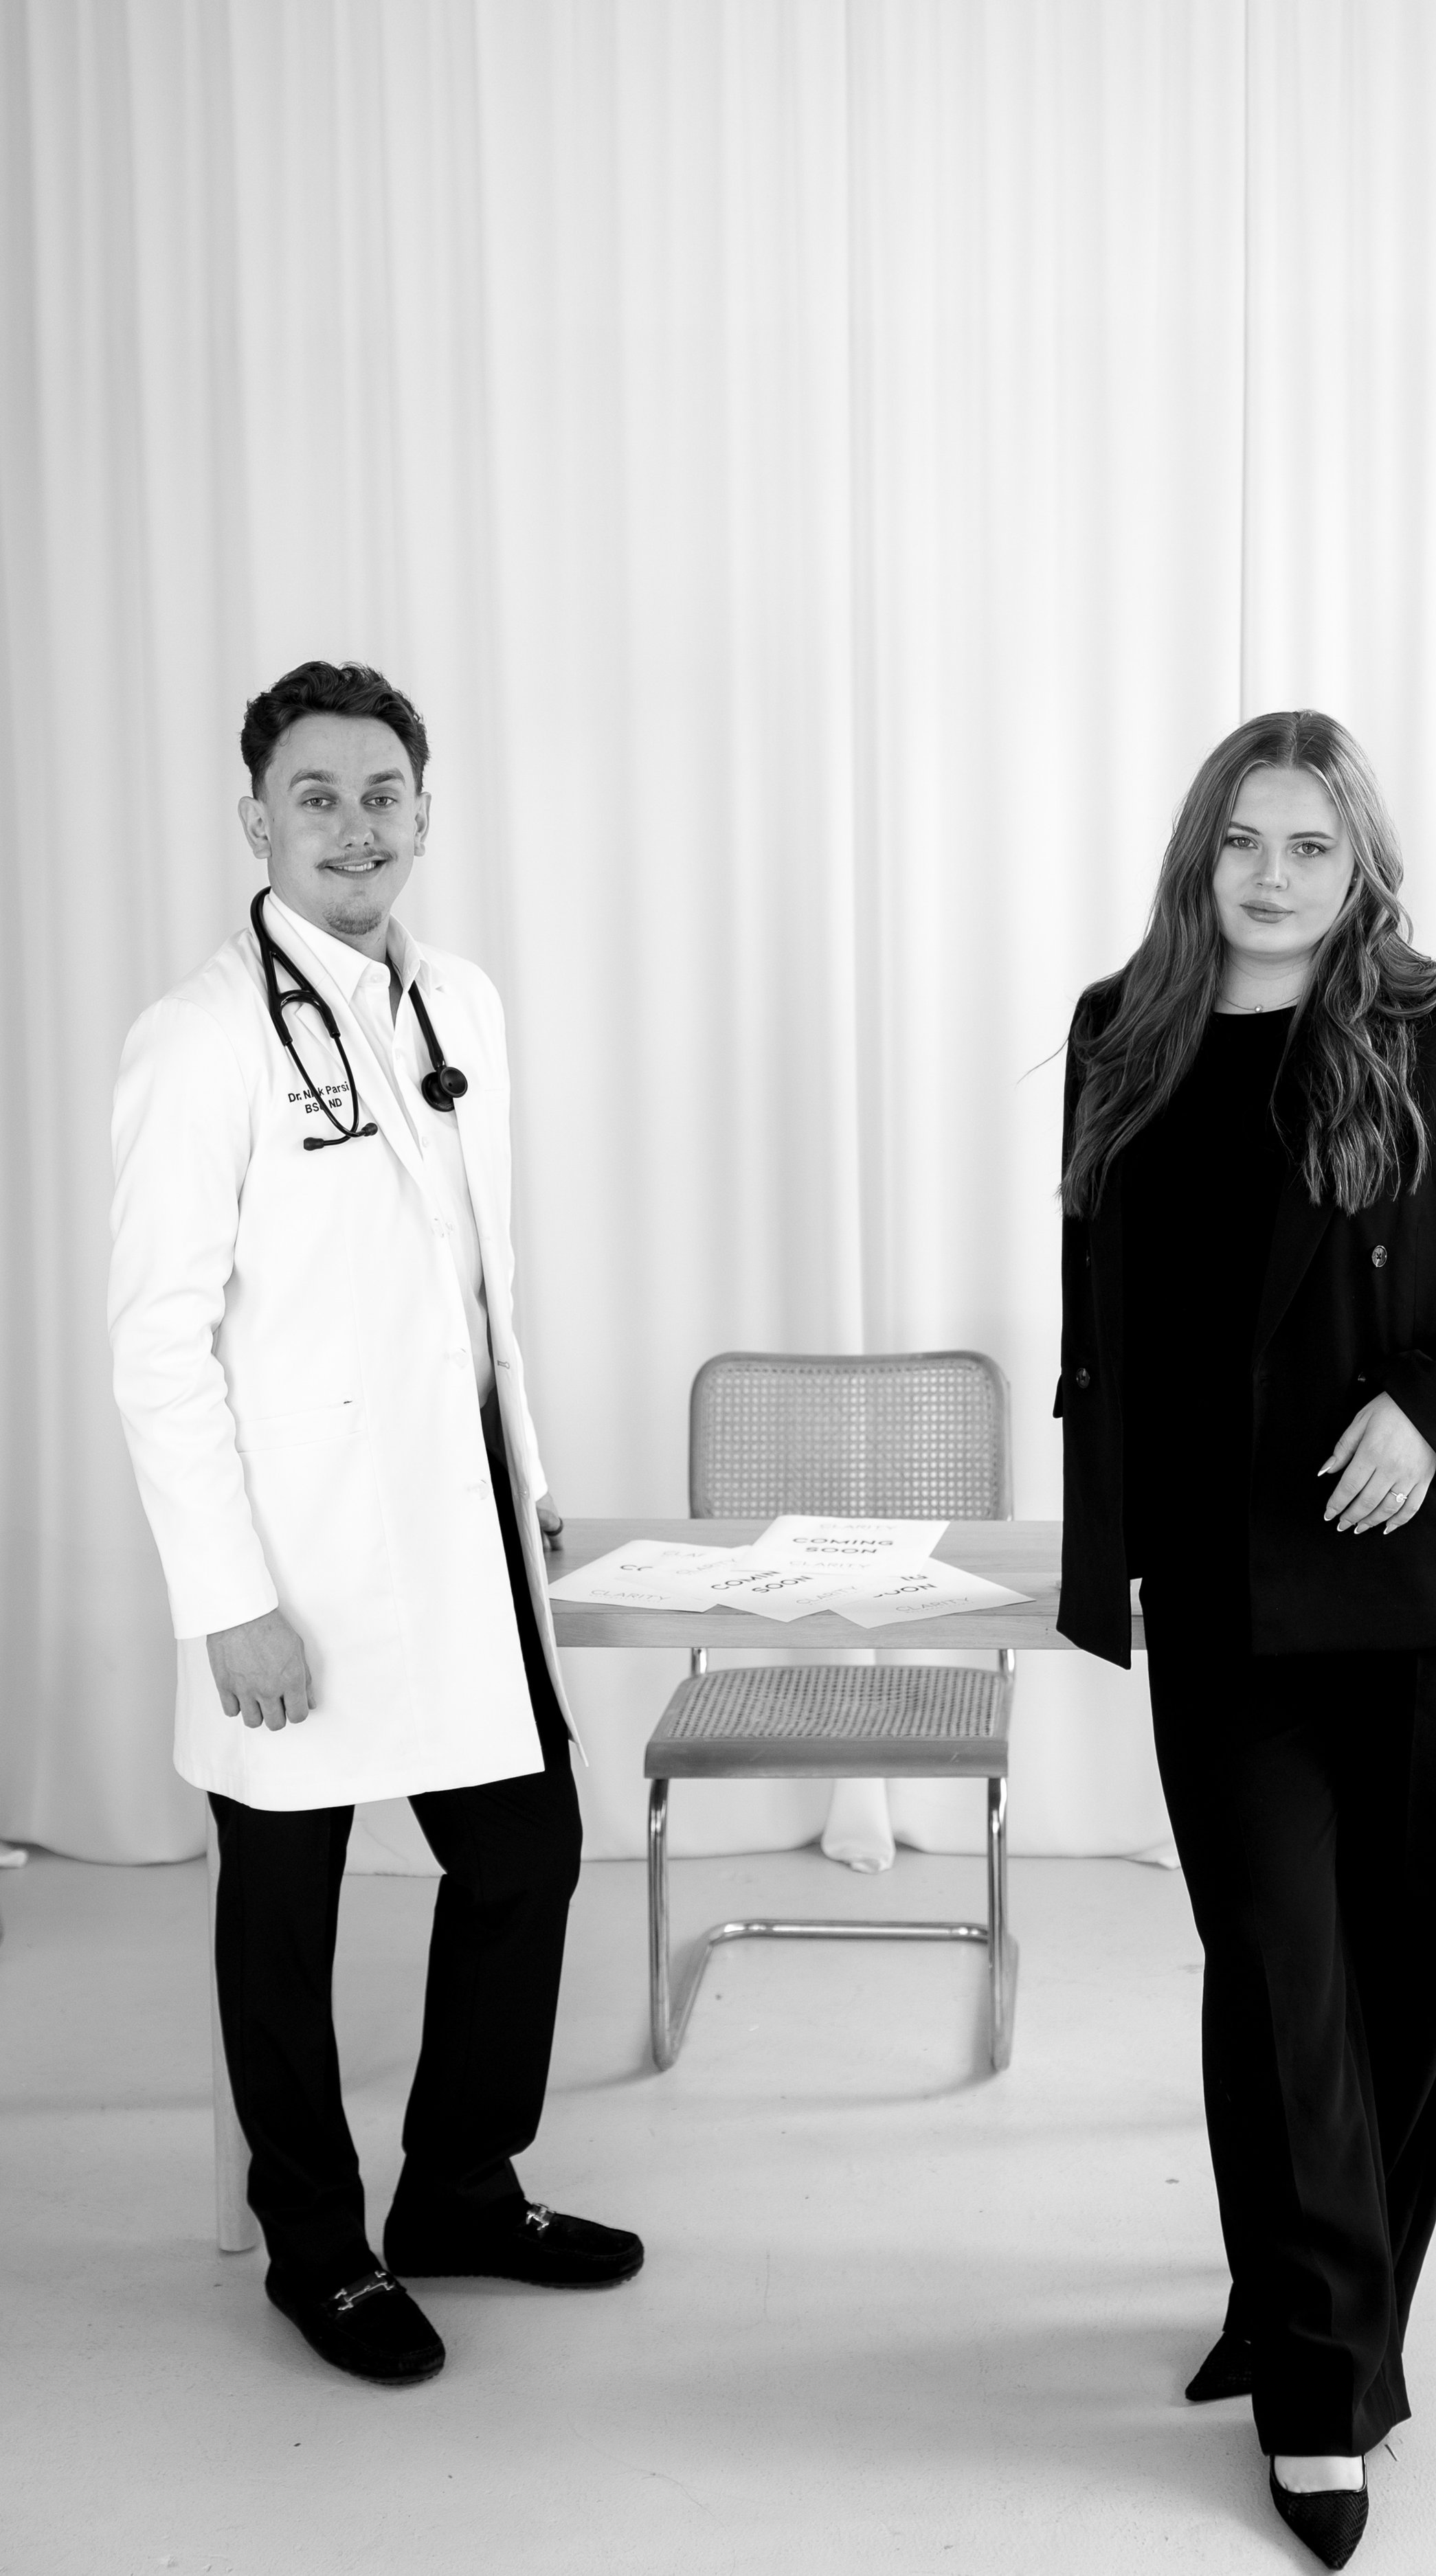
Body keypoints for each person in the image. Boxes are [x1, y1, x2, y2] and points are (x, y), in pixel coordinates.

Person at [1055, 710, 1436, 2566]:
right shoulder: (1116, 1030)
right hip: (1220, 1590)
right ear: (1197, 854)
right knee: (1272, 1962)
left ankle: (1313, 2312)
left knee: (1400, 1988)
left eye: (1306, 842)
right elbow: (1106, 1314)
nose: (1270, 874)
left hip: (1429, 1580)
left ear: (1357, 857)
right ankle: (1315, 2375)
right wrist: (1106, 1548)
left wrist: (1425, 1407)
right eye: (1240, 840)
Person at [109, 660, 642, 2387]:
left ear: (426, 812)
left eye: (384, 794)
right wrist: (226, 1598)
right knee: (288, 1908)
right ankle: (317, 2250)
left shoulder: (459, 1004)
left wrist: (533, 1473)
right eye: (318, 794)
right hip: (300, 1558)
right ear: (254, 816)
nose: (355, 825)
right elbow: (153, 1343)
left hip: (460, 1521)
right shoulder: (199, 1039)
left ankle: (462, 2192)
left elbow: (485, 1293)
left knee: (523, 1852)